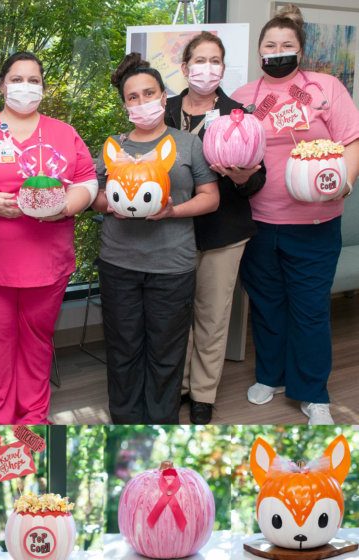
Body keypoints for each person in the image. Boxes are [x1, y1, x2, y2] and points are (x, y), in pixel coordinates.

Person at [0, 52, 98, 424]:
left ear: (43, 88)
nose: (25, 87)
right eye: (17, 79)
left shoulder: (63, 133)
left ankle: (33, 423)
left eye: (34, 80)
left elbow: (87, 182)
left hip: (47, 265)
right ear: (1, 85)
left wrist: (64, 206)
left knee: (37, 347)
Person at [230, 5, 359, 424]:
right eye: (270, 45)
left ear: (300, 52)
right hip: (258, 221)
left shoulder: (325, 88)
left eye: (287, 45)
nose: (278, 51)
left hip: (316, 223)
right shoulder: (244, 97)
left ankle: (313, 392)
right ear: (259, 52)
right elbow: (234, 147)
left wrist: (342, 181)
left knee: (309, 308)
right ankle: (272, 375)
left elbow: (352, 141)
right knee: (267, 304)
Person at [92, 53, 220, 424]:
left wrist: (172, 210)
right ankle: (126, 421)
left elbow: (210, 198)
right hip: (119, 263)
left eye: (149, 93)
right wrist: (109, 204)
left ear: (164, 97)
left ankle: (162, 423)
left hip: (172, 266)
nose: (142, 102)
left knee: (166, 351)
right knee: (123, 348)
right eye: (133, 97)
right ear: (125, 104)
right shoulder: (113, 147)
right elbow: (96, 197)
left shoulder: (188, 144)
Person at [164, 32, 267, 425]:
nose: (207, 68)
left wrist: (241, 176)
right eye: (199, 60)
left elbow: (258, 182)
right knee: (175, 315)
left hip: (223, 232)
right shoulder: (164, 108)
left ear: (223, 68)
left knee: (212, 314)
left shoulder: (242, 114)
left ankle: (203, 393)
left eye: (215, 61)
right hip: (170, 232)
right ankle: (180, 386)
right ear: (185, 66)